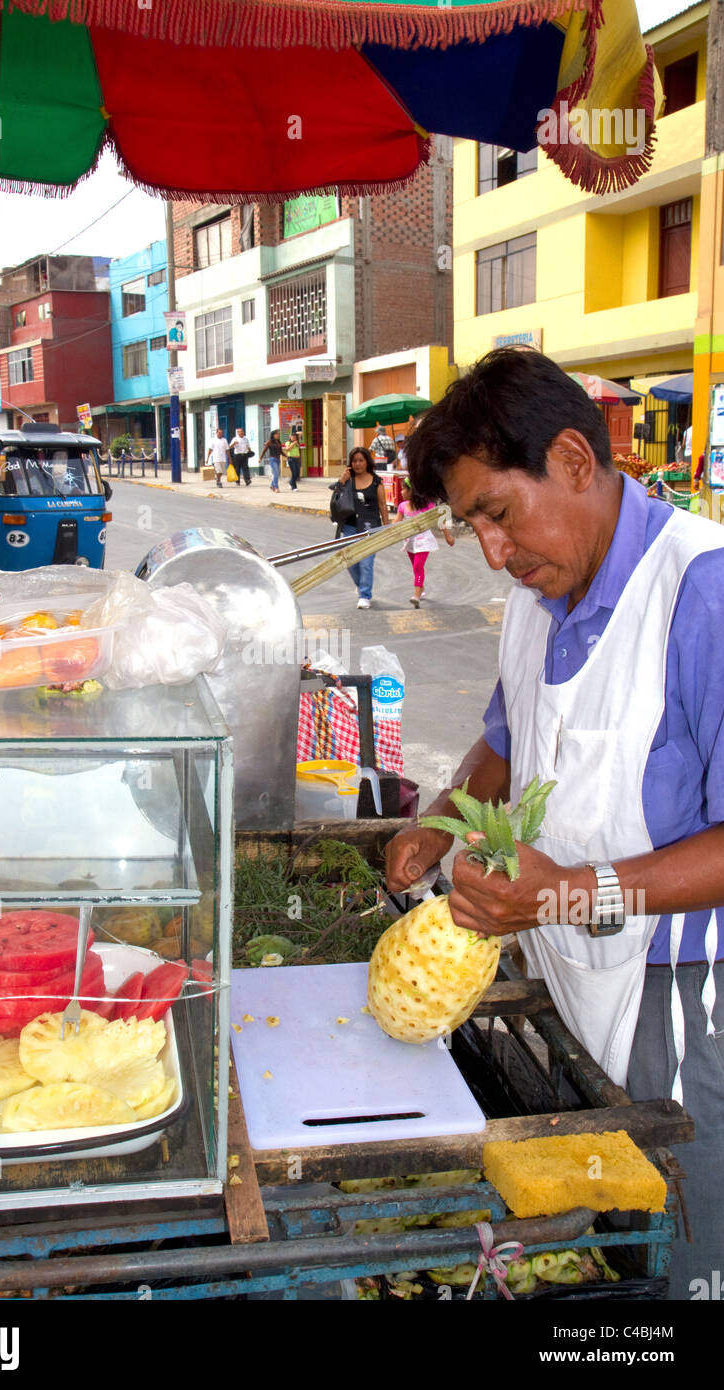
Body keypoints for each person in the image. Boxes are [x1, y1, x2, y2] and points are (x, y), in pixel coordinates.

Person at [385, 347, 724, 1300]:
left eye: (497, 512)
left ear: (575, 460)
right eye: (470, 527)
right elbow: (508, 735)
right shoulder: (538, 594)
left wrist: (570, 893)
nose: (492, 550)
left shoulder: (701, 592)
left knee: (680, 1251)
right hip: (569, 976)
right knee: (608, 1250)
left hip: (685, 998)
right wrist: (444, 818)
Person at [336, 446, 389, 609]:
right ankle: (361, 584)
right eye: (354, 461)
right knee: (350, 562)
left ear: (367, 462)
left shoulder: (376, 481)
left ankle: (365, 595)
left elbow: (382, 504)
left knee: (366, 563)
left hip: (370, 528)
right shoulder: (348, 480)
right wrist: (341, 481)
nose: (358, 464)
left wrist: (387, 526)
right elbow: (336, 499)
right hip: (350, 526)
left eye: (361, 460)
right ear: (350, 463)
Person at [394, 474, 454, 607]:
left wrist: (447, 536)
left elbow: (440, 520)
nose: (401, 492)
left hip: (424, 541)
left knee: (418, 566)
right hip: (410, 542)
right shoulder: (403, 506)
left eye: (403, 489)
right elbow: (395, 524)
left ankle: (416, 595)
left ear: (412, 491)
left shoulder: (427, 506)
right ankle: (421, 589)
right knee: (416, 569)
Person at [259, 428, 284, 492]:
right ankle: (276, 487)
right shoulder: (269, 442)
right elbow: (264, 450)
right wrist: (260, 458)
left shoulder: (279, 442)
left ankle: (272, 485)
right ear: (273, 435)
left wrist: (287, 456)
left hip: (278, 459)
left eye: (278, 434)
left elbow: (281, 451)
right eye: (276, 434)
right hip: (272, 459)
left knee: (277, 473)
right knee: (276, 473)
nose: (278, 435)